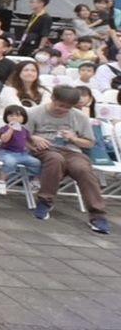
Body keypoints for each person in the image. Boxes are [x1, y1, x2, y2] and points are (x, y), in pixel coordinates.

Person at [26, 86, 111, 233]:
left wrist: (74, 138)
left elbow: (89, 143)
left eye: (68, 107)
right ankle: (45, 201)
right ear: (53, 98)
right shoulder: (34, 113)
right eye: (60, 105)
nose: (63, 109)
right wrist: (33, 138)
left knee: (83, 169)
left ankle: (98, 215)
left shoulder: (79, 117)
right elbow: (21, 137)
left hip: (72, 151)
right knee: (55, 159)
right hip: (45, 150)